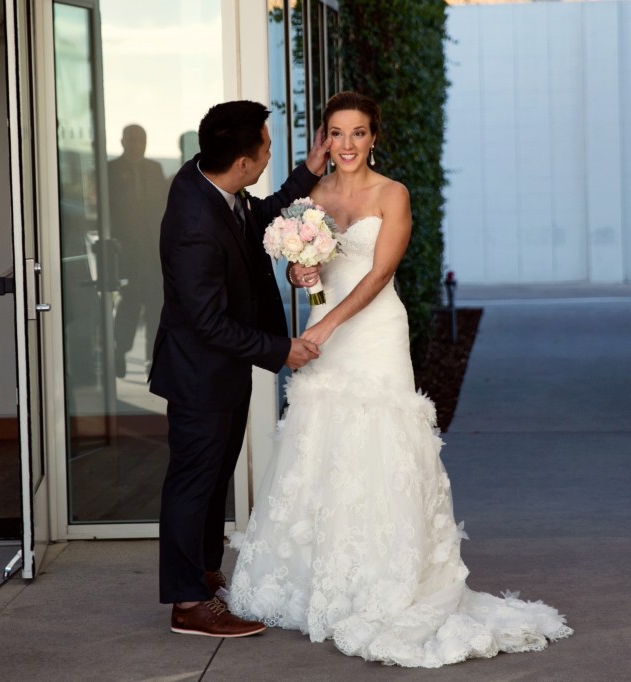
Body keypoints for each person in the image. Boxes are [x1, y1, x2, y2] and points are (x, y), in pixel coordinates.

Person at [228, 92, 573, 666]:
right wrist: (300, 272)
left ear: (373, 137)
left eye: (358, 133)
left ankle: (387, 579)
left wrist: (327, 326)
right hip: (322, 328)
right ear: (323, 138)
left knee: (380, 443)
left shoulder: (393, 195)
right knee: (323, 442)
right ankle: (324, 578)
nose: (346, 144)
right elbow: (307, 276)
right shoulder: (311, 195)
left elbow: (379, 274)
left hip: (372, 332)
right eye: (336, 133)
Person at [149, 100, 329, 637]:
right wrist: (279, 351)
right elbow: (207, 322)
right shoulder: (194, 223)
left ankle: (205, 576)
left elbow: (263, 215)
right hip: (199, 374)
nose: (270, 153)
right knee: (191, 483)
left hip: (220, 373)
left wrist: (309, 171)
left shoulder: (214, 185)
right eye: (267, 148)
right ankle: (187, 605)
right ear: (244, 163)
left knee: (211, 480)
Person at [107, 124, 168, 378]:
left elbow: (164, 207)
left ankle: (152, 361)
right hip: (125, 253)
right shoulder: (110, 171)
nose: (136, 145)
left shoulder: (155, 169)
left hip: (153, 252)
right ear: (122, 141)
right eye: (132, 140)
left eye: (140, 140)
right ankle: (120, 351)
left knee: (156, 305)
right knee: (129, 306)